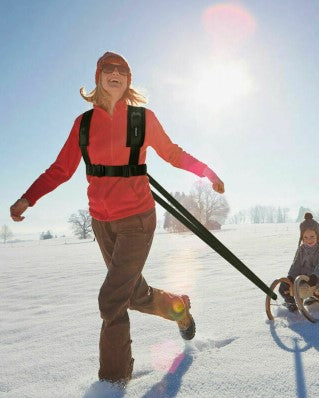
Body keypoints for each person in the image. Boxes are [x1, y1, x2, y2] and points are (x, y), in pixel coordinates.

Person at [10, 51, 225, 385]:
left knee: (111, 299)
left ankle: (113, 382)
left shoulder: (143, 119)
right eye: (107, 69)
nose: (115, 73)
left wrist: (207, 172)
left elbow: (172, 153)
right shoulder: (83, 124)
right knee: (133, 295)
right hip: (102, 222)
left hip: (138, 220)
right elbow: (61, 169)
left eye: (122, 70)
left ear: (128, 80)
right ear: (98, 77)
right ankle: (178, 309)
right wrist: (28, 197)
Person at [278, 213, 319, 315]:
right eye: (305, 237)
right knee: (283, 285)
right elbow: (296, 264)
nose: (309, 240)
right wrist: (291, 277)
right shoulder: (301, 249)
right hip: (304, 276)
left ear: (317, 236)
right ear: (302, 237)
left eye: (312, 236)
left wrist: (315, 275)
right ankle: (290, 302)